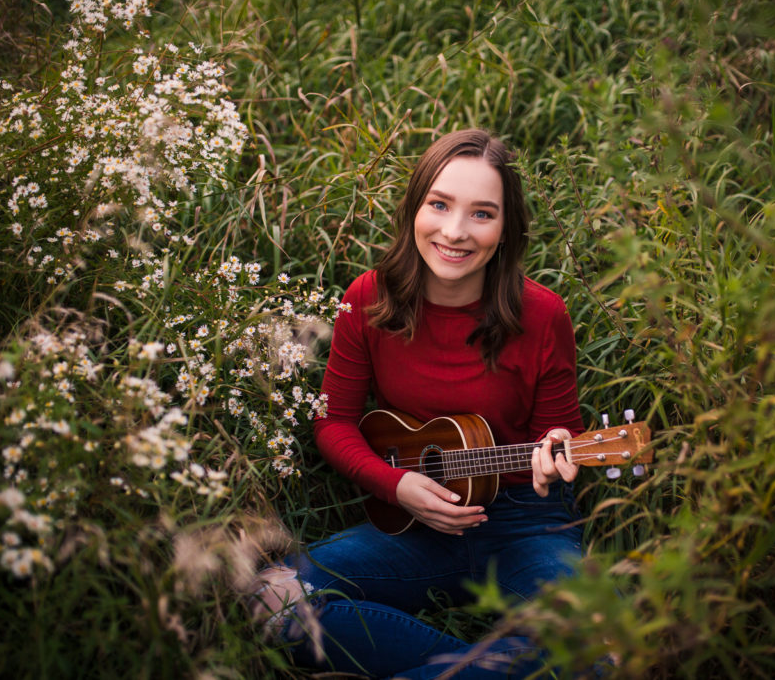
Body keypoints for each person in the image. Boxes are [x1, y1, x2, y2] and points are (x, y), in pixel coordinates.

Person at [249, 128, 586, 678]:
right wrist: (398, 486)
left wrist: (556, 464)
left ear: (505, 230)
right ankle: (493, 666)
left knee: (592, 645)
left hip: (528, 524)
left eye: (482, 214)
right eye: (439, 205)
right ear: (414, 209)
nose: (455, 232)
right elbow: (334, 423)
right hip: (412, 522)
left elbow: (559, 438)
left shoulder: (543, 315)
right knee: (268, 602)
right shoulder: (367, 298)